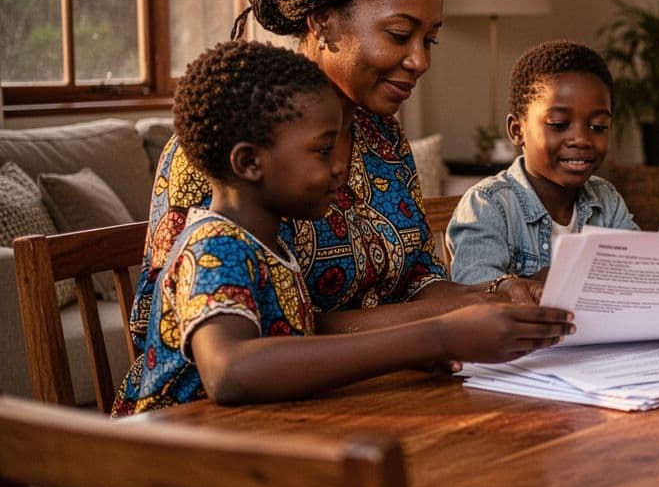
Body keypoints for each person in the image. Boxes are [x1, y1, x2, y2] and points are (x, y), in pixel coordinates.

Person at [113, 42, 574, 416]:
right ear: (250, 162)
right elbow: (231, 372)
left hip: (251, 456)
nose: (341, 167)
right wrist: (438, 336)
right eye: (323, 150)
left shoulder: (268, 244)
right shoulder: (217, 246)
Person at [132, 0, 521, 353]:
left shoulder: (383, 138)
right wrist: (443, 321)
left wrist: (497, 294)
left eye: (429, 40)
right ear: (322, 22)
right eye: (399, 34)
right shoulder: (225, 144)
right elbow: (254, 331)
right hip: (224, 414)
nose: (420, 61)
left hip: (375, 386)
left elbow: (417, 276)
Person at [447, 41, 638, 284]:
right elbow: (477, 297)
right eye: (559, 124)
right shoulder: (488, 205)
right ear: (517, 130)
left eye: (598, 127)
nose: (581, 139)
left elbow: (634, 275)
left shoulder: (606, 200)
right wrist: (540, 284)